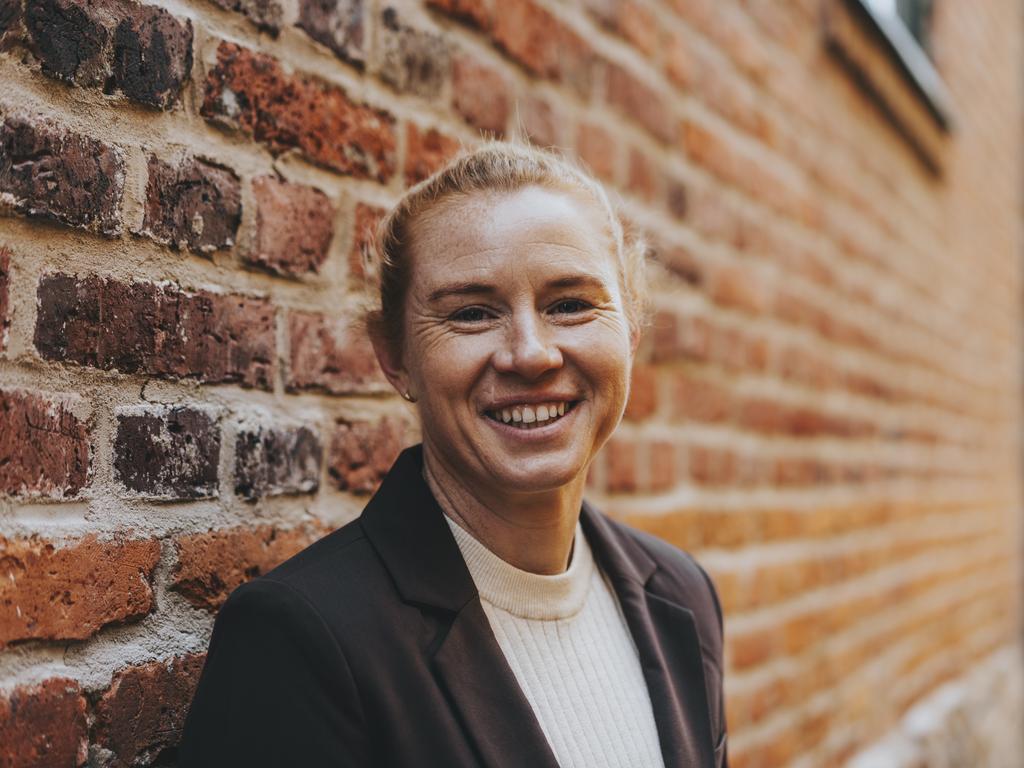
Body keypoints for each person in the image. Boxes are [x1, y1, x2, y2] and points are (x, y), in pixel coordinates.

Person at [179, 142, 728, 768]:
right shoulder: (302, 639)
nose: (531, 354)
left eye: (570, 304)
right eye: (471, 313)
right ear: (395, 357)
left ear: (628, 330)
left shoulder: (683, 596)